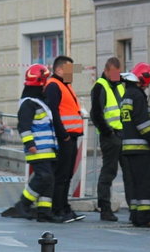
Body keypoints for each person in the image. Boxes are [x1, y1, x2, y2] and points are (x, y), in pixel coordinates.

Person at [1, 64, 63, 223]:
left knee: (49, 180)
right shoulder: (29, 103)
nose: (47, 83)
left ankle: (44, 212)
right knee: (44, 177)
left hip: (47, 149)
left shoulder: (39, 101)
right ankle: (23, 203)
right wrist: (30, 145)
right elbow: (24, 126)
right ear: (40, 82)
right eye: (45, 80)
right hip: (37, 149)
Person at [120, 62, 150, 228]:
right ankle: (146, 216)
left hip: (128, 148)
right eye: (148, 83)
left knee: (135, 182)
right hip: (140, 148)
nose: (148, 87)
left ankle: (136, 215)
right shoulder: (137, 96)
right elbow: (142, 123)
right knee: (148, 182)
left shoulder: (127, 95)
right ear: (143, 80)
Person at [45, 55, 85, 223]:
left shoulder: (64, 85)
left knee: (67, 174)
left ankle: (64, 207)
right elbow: (52, 112)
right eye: (69, 70)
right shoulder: (54, 85)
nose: (71, 74)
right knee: (61, 175)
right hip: (64, 138)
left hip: (70, 136)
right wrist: (64, 135)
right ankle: (58, 209)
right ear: (59, 70)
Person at [89, 57, 126, 222]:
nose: (116, 76)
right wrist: (107, 132)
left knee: (128, 172)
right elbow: (96, 114)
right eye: (113, 73)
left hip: (121, 134)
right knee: (108, 173)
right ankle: (105, 209)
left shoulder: (118, 85)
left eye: (118, 73)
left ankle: (136, 208)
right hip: (110, 136)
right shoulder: (100, 87)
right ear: (106, 71)